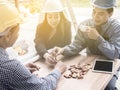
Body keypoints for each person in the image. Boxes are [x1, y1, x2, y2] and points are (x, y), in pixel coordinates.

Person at [52, 0, 120, 90]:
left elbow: (115, 54)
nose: (96, 16)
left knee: (109, 87)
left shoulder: (116, 28)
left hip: (110, 63)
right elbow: (77, 45)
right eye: (94, 12)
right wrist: (63, 50)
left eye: (101, 13)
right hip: (90, 63)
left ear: (110, 14)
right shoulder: (84, 24)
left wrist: (98, 38)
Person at [0, 3, 66, 90]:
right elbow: (43, 87)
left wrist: (21, 71)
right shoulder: (10, 67)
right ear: (7, 36)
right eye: (18, 31)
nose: (18, 34)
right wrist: (58, 70)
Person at [34, 0, 71, 65]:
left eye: (56, 16)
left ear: (61, 15)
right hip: (44, 55)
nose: (53, 20)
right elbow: (39, 42)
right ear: (46, 16)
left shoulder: (67, 25)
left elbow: (67, 42)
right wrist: (46, 55)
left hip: (61, 56)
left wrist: (58, 50)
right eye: (50, 17)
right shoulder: (40, 27)